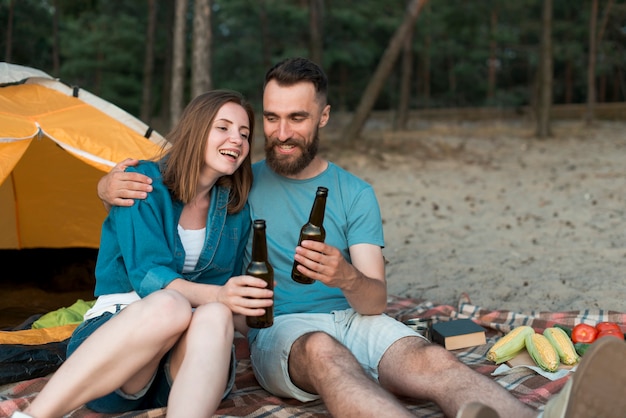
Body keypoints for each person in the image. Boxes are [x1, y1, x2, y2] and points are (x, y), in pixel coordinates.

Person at [94, 58, 626, 418]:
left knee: (435, 362)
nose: (281, 132)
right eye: (272, 118)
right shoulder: (240, 180)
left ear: (322, 117)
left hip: (358, 316)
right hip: (284, 330)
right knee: (327, 355)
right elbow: (177, 182)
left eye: (297, 118)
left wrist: (344, 274)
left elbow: (376, 298)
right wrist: (106, 184)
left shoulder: (354, 192)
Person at [13, 90, 273, 418]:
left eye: (245, 133)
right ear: (196, 130)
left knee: (216, 314)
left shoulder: (236, 210)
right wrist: (221, 294)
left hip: (183, 374)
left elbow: (232, 300)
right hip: (118, 352)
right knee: (170, 305)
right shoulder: (141, 182)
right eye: (223, 128)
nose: (236, 139)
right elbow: (149, 277)